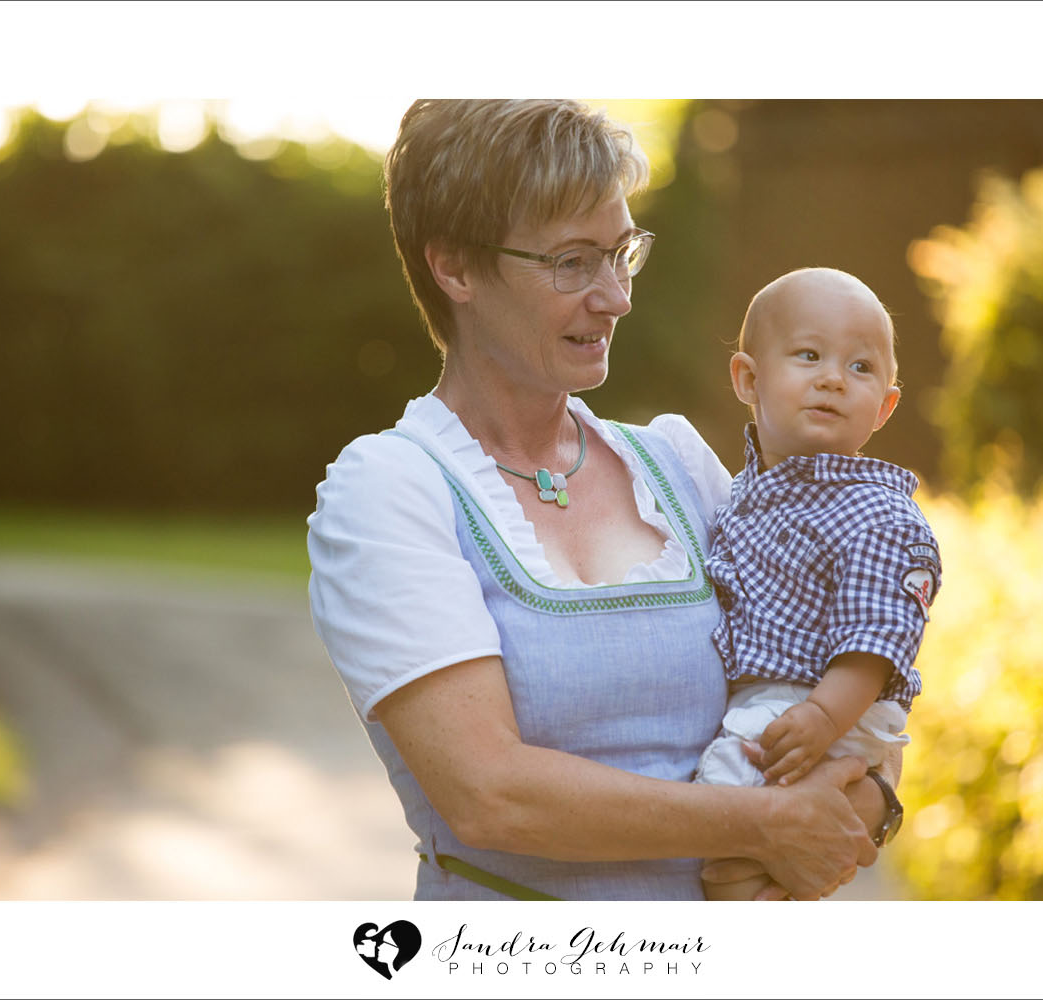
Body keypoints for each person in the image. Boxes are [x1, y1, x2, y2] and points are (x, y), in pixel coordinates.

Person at [307, 100, 895, 901]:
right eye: (573, 263)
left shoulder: (679, 466)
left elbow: (842, 658)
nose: (616, 296)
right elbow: (491, 795)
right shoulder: (390, 491)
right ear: (455, 269)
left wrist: (869, 801)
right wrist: (760, 828)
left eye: (622, 254)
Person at [694, 268, 942, 900]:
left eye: (860, 368)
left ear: (885, 406)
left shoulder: (876, 513)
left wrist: (823, 717)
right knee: (739, 821)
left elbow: (878, 640)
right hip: (783, 697)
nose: (833, 377)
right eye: (809, 356)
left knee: (726, 797)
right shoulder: (745, 495)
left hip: (822, 698)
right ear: (748, 378)